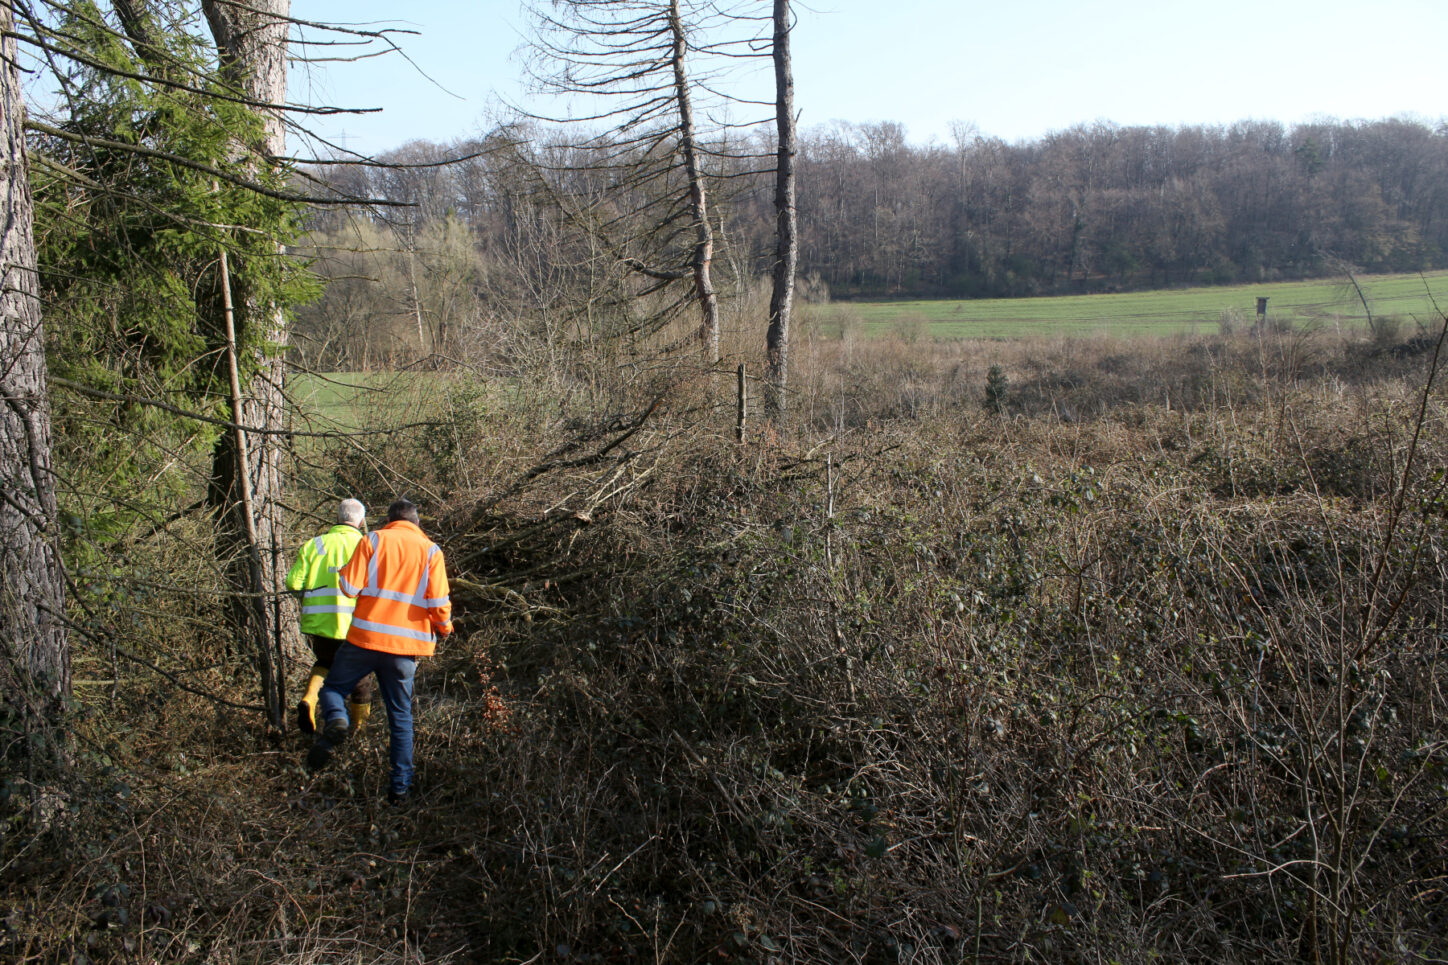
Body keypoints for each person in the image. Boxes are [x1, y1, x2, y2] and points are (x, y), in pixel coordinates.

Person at [305, 498, 453, 806]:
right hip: (405, 649)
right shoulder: (431, 551)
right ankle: (399, 791)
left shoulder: (372, 540)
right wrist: (444, 628)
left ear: (388, 520)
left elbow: (347, 586)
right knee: (400, 718)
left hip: (364, 639)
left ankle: (336, 720)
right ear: (416, 522)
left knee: (332, 688)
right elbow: (438, 602)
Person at [285, 498, 371, 736]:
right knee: (361, 678)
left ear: (337, 517)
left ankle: (309, 702)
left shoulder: (315, 545)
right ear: (361, 521)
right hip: (356, 625)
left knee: (324, 663)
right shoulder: (367, 545)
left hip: (320, 624)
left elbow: (293, 583)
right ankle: (359, 734)